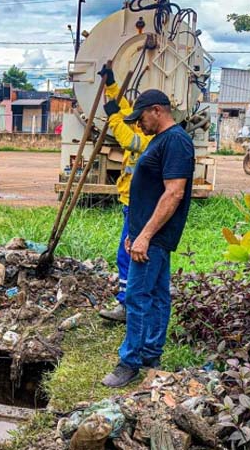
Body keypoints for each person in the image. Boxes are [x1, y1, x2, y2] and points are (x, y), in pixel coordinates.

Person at [101, 89, 195, 388]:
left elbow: (174, 192)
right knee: (156, 295)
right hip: (146, 234)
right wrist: (134, 232)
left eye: (140, 117)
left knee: (137, 297)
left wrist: (145, 236)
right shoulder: (162, 140)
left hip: (153, 238)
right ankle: (151, 356)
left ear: (157, 110)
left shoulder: (176, 141)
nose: (138, 124)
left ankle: (129, 363)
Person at [97, 65, 154, 322]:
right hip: (132, 202)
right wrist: (111, 85)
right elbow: (126, 111)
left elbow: (129, 140)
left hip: (139, 204)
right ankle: (134, 301)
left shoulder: (151, 140)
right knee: (131, 254)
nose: (138, 121)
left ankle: (127, 305)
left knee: (127, 253)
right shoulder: (142, 126)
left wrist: (113, 119)